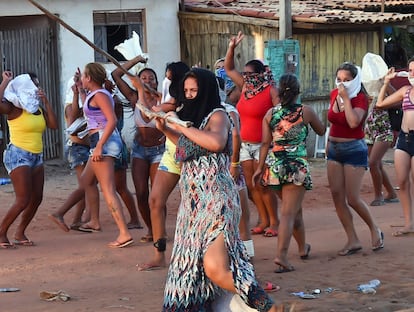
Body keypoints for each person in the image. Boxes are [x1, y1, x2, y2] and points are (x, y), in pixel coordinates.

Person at [129, 67, 282, 311]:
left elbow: (216, 142)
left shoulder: (218, 115)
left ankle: (268, 306)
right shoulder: (193, 119)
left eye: (194, 90)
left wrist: (178, 125)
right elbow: (188, 148)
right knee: (195, 269)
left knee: (215, 268)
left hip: (217, 201)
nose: (189, 95)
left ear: (207, 90)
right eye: (186, 91)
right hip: (193, 206)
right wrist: (166, 129)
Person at [253, 74, 325, 272]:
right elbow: (321, 130)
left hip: (275, 167)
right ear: (297, 92)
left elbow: (265, 143)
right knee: (288, 213)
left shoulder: (270, 114)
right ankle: (281, 256)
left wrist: (259, 169)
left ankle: (302, 248)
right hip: (296, 168)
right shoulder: (306, 112)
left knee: (294, 211)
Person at [224, 31, 279, 237]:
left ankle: (274, 221)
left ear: (260, 74)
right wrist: (232, 48)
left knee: (263, 184)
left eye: (250, 74)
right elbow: (228, 68)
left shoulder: (271, 91)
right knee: (250, 185)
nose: (247, 77)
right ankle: (263, 219)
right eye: (245, 74)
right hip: (245, 143)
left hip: (263, 144)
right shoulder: (246, 87)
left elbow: (280, 116)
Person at [137, 61, 190, 271]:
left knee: (195, 207)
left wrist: (162, 108)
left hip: (190, 156)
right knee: (155, 200)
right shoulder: (170, 97)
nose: (166, 80)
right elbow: (156, 110)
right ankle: (159, 253)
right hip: (170, 154)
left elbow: (166, 108)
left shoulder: (189, 98)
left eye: (169, 77)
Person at [327, 62, 384, 256]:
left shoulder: (360, 98)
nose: (342, 84)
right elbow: (332, 120)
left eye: (347, 80)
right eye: (339, 80)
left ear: (355, 80)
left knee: (352, 198)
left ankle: (374, 229)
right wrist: (328, 146)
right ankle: (352, 239)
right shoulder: (334, 94)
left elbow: (353, 122)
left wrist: (345, 99)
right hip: (334, 147)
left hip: (353, 148)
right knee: (337, 195)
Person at [0, 70, 58, 248]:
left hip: (36, 156)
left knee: (37, 198)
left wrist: (46, 102)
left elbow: (54, 126)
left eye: (38, 85)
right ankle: (1, 233)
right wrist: (5, 82)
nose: (37, 88)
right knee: (23, 199)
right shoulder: (14, 108)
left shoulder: (37, 109)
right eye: (34, 85)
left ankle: (20, 233)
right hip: (18, 155)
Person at [78, 62, 133, 248]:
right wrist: (80, 90)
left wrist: (100, 146)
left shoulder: (100, 94)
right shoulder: (95, 94)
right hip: (101, 141)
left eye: (84, 76)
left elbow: (112, 120)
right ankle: (93, 220)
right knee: (86, 180)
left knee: (108, 189)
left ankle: (124, 233)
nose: (82, 78)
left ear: (90, 78)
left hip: (104, 140)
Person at [111, 56, 165, 241]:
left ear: (157, 82)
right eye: (144, 78)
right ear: (137, 81)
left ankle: (160, 230)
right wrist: (137, 60)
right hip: (140, 150)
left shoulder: (162, 99)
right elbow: (116, 74)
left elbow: (150, 117)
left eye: (151, 78)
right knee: (141, 192)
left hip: (160, 150)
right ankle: (151, 228)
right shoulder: (134, 98)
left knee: (157, 194)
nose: (148, 81)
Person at [375, 58, 414, 236]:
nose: (411, 74)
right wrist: (386, 82)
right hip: (404, 139)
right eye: (410, 70)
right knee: (402, 182)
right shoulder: (406, 91)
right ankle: (408, 223)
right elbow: (380, 103)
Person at [364, 96, 399, 206]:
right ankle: (392, 193)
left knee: (373, 163)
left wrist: (382, 103)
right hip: (369, 130)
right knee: (377, 164)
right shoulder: (360, 85)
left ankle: (378, 196)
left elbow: (399, 100)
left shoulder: (384, 86)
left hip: (384, 130)